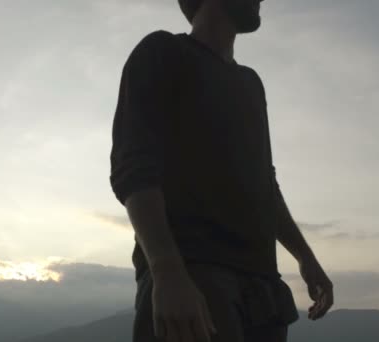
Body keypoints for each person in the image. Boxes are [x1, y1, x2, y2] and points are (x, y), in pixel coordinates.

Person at [109, 0, 334, 341]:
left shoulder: (251, 84)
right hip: (196, 279)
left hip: (263, 292)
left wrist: (305, 257)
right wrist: (167, 271)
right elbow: (133, 168)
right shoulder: (163, 51)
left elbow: (264, 183)